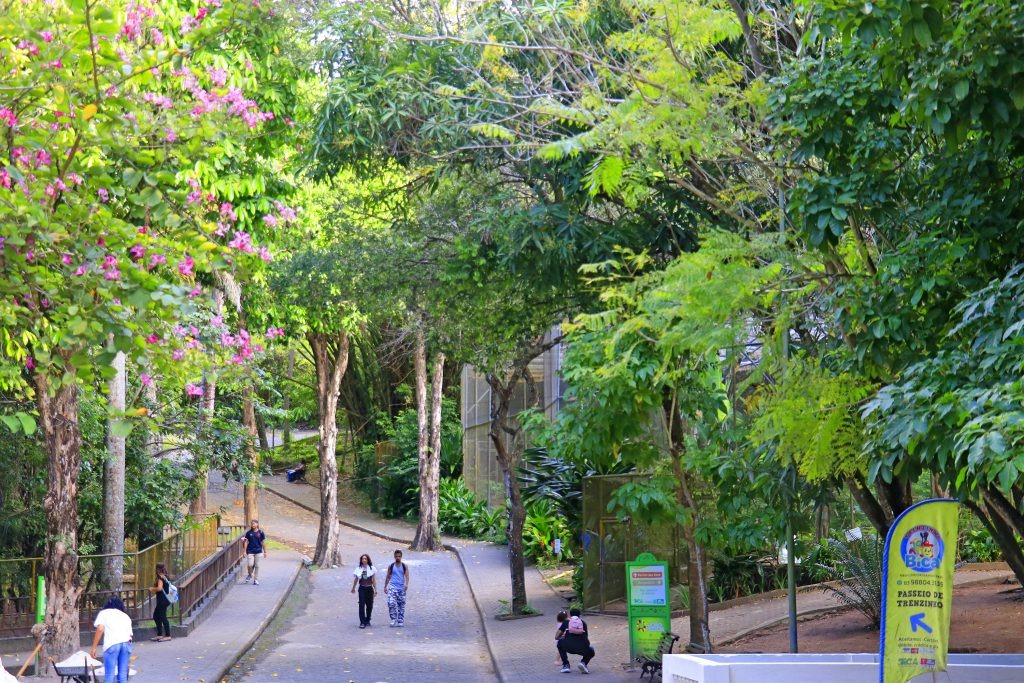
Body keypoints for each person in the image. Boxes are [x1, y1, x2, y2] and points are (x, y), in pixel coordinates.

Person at [90, 596, 133, 683]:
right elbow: (130, 635)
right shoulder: (125, 616)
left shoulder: (104, 613)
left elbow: (100, 629)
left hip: (112, 644)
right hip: (126, 644)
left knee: (109, 676)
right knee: (123, 676)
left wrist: (94, 648)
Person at [557, 607, 595, 674]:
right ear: (579, 615)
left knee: (559, 642)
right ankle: (583, 663)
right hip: (582, 648)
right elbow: (586, 637)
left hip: (568, 647)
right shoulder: (583, 623)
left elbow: (556, 636)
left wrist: (563, 636)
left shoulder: (566, 622)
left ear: (570, 615)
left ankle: (566, 665)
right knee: (591, 650)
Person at [383, 549, 411, 627]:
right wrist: (385, 586)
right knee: (391, 603)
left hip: (401, 588)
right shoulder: (391, 566)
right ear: (394, 557)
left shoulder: (404, 566)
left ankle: (400, 620)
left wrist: (406, 584)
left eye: (399, 556)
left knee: (401, 605)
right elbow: (388, 577)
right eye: (396, 556)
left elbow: (407, 576)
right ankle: (393, 618)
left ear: (401, 557)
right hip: (392, 587)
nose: (397, 558)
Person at [350, 553, 378, 628]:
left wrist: (375, 590)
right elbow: (356, 579)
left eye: (365, 559)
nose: (364, 560)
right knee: (361, 605)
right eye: (363, 559)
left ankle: (368, 619)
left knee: (369, 605)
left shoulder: (372, 568)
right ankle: (362, 622)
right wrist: (353, 588)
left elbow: (374, 580)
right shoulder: (359, 569)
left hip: (369, 588)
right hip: (362, 588)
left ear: (368, 560)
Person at [148, 562, 172, 642]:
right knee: (156, 616)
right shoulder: (166, 577)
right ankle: (159, 634)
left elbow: (159, 588)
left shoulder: (161, 578)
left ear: (158, 569)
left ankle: (168, 635)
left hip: (162, 600)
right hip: (164, 600)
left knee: (163, 617)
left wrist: (152, 589)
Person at [243, 519, 267, 585]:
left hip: (258, 551)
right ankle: (250, 574)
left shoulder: (261, 532)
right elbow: (246, 542)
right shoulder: (249, 533)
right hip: (250, 551)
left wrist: (265, 552)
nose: (252, 525)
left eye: (254, 524)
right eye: (252, 524)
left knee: (257, 565)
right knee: (250, 565)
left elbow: (263, 542)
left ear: (257, 524)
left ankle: (255, 579)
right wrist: (244, 551)